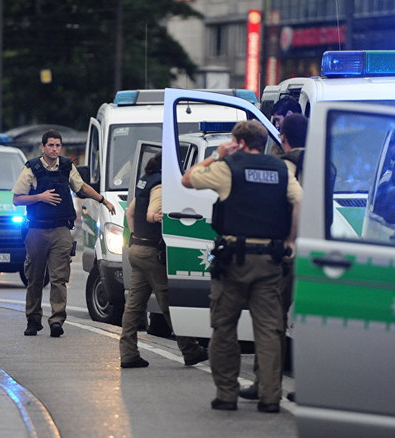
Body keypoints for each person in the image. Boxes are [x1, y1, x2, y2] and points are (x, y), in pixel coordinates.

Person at [182, 120, 301, 412]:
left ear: (239, 142)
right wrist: (290, 241)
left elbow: (188, 179)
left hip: (234, 260)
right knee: (270, 330)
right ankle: (271, 397)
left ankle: (227, 394)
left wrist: (217, 155)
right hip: (270, 259)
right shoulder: (282, 169)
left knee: (224, 327)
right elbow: (300, 201)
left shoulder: (228, 167)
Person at [12, 129, 115, 338]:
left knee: (59, 278)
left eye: (58, 145)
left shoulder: (67, 166)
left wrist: (102, 200)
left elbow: (82, 187)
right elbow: (17, 199)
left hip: (61, 229)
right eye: (50, 145)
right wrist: (40, 197)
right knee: (35, 278)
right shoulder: (32, 168)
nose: (54, 149)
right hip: (36, 229)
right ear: (43, 147)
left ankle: (57, 320)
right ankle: (33, 319)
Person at [239, 113, 308, 404]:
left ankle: (265, 383)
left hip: (287, 251)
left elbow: (292, 204)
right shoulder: (324, 163)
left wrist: (288, 241)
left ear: (283, 137)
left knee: (272, 321)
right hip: (318, 251)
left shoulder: (287, 165)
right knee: (310, 321)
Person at [119, 152, 208, 368]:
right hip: (150, 253)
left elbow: (130, 213)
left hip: (137, 248)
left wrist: (135, 236)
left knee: (134, 305)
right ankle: (190, 349)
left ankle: (128, 353)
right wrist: (158, 218)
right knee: (168, 300)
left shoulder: (145, 182)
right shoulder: (159, 185)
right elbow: (151, 213)